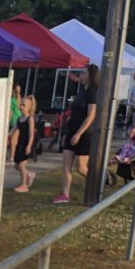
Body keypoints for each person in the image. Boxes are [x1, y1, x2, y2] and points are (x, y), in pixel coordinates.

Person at [53, 64, 99, 204]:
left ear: (91, 76)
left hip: (84, 133)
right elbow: (74, 112)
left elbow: (91, 116)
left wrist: (79, 134)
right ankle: (65, 194)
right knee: (66, 164)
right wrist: (67, 132)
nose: (81, 76)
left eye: (84, 73)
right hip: (72, 129)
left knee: (81, 168)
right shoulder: (81, 91)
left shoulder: (93, 92)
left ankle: (99, 184)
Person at [12, 95, 37, 192]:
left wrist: (29, 145)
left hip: (27, 144)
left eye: (24, 105)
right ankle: (29, 174)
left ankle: (24, 185)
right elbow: (12, 131)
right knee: (16, 165)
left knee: (22, 165)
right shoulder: (19, 119)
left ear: (29, 107)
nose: (21, 107)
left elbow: (31, 134)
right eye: (21, 104)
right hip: (20, 144)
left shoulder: (30, 119)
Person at [7, 84, 22, 163]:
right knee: (14, 141)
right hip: (17, 120)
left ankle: (11, 158)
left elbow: (10, 113)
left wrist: (7, 122)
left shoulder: (13, 100)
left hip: (14, 121)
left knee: (13, 141)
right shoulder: (17, 99)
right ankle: (12, 157)